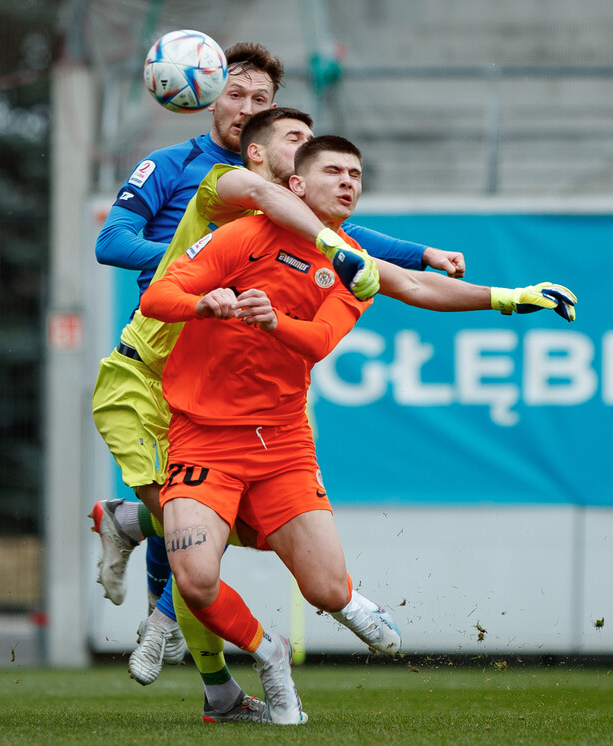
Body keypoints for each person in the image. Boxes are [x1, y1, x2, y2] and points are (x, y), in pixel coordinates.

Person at [138, 135, 575, 724]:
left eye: (357, 175)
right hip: (203, 435)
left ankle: (347, 602)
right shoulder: (242, 234)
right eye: (334, 171)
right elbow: (160, 295)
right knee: (194, 578)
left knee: (323, 590)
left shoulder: (351, 263)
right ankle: (269, 652)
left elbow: (353, 322)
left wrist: (512, 297)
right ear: (295, 185)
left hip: (282, 445)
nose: (349, 182)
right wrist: (205, 305)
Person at [93, 41, 465, 693]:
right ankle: (173, 620)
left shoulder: (284, 186)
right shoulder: (179, 169)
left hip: (225, 378)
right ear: (207, 96)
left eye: (260, 99)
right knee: (193, 523)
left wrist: (422, 252)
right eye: (233, 93)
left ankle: (160, 589)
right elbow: (110, 239)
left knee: (209, 522)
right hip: (161, 366)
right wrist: (188, 256)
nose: (244, 107)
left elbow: (343, 237)